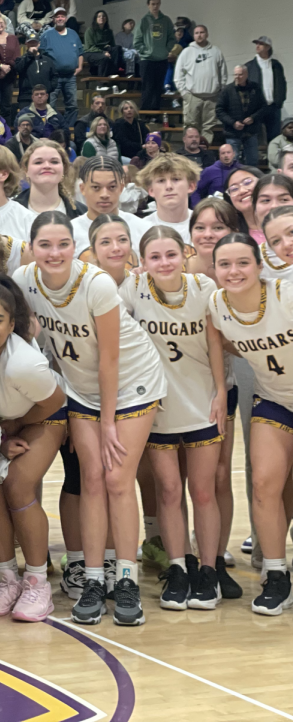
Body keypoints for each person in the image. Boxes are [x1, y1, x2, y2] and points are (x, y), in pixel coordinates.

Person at [14, 211, 166, 626]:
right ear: (32, 248)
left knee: (118, 478)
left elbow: (111, 359)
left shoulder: (95, 283)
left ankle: (127, 578)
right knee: (93, 478)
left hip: (132, 382)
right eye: (45, 244)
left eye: (63, 243)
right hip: (82, 389)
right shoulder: (26, 279)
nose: (54, 252)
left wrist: (110, 421)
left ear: (74, 246)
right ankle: (95, 579)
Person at [120, 228, 227, 611]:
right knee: (167, 491)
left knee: (202, 491)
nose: (163, 263)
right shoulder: (133, 290)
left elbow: (215, 342)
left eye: (170, 254)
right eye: (154, 257)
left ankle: (209, 571)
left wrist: (220, 391)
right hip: (157, 405)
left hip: (201, 402)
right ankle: (178, 567)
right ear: (142, 261)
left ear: (185, 254)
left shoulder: (203, 287)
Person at [0, 274, 67, 622]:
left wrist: (14, 428)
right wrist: (1, 437)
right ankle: (7, 579)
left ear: (11, 324)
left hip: (42, 416)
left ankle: (37, 582)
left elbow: (55, 401)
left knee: (18, 485)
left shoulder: (24, 362)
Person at [209, 232, 293, 613]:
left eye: (243, 263)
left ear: (260, 266)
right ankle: (277, 575)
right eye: (224, 264)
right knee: (262, 483)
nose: (234, 271)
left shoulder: (284, 296)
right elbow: (218, 346)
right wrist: (216, 392)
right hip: (274, 401)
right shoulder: (216, 303)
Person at [173, 24, 228, 142]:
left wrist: (220, 90)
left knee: (209, 128)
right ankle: (191, 154)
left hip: (211, 97)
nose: (199, 35)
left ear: (207, 34)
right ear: (193, 35)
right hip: (193, 97)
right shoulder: (186, 52)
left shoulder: (216, 51)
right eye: (196, 33)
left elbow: (223, 73)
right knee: (191, 128)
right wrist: (185, 93)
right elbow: (178, 75)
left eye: (202, 32)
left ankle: (205, 154)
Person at [38, 8, 82, 131]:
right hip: (53, 77)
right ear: (53, 19)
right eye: (57, 16)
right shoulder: (46, 35)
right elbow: (40, 54)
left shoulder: (73, 34)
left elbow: (80, 52)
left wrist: (80, 67)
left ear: (66, 18)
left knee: (73, 105)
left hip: (70, 76)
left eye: (62, 16)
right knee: (50, 106)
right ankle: (53, 129)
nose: (60, 18)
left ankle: (67, 130)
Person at [217, 64, 266, 167]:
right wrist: (233, 123)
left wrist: (253, 118)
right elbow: (219, 110)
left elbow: (263, 107)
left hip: (251, 131)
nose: (237, 77)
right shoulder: (227, 90)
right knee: (232, 162)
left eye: (240, 74)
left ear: (246, 74)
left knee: (252, 161)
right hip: (232, 132)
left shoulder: (255, 88)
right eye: (235, 74)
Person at [134, 0, 177, 112]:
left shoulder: (166, 20)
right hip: (147, 60)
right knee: (147, 87)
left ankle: (155, 113)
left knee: (158, 88)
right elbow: (137, 41)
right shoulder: (144, 21)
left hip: (161, 59)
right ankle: (145, 113)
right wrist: (146, 51)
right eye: (153, 4)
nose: (155, 6)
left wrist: (166, 50)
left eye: (157, 4)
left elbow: (172, 38)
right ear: (148, 5)